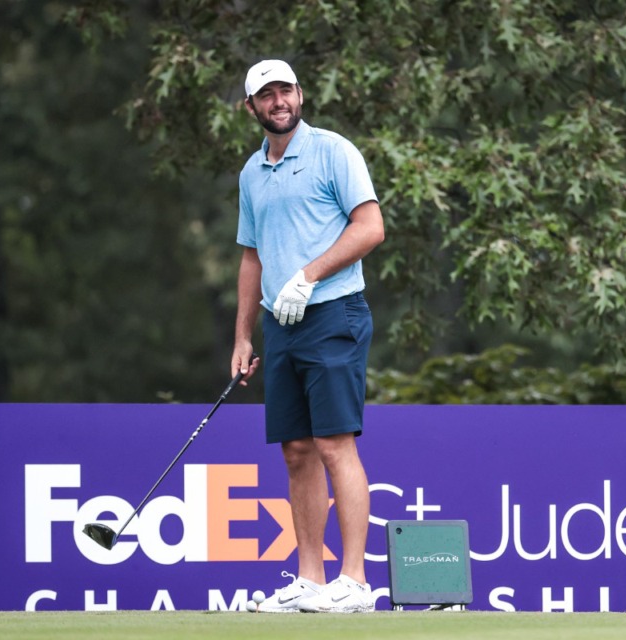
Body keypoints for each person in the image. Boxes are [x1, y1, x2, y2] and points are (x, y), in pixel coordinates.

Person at [230, 59, 385, 614]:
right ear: (251, 107)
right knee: (297, 451)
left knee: (333, 443)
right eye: (266, 95)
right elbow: (252, 256)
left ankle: (355, 582)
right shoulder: (251, 173)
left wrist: (308, 275)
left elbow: (370, 227)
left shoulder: (333, 152)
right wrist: (243, 336)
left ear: (300, 93)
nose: (278, 101)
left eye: (285, 90)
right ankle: (311, 580)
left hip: (332, 313)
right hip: (281, 326)